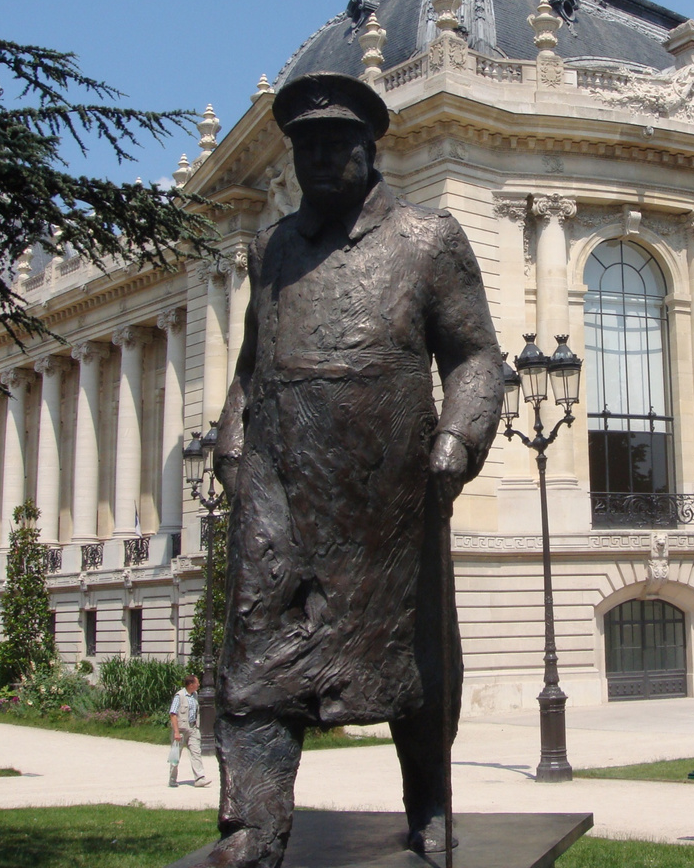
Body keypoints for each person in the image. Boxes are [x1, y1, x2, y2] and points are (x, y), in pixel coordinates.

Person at [204, 73, 502, 868]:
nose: (321, 158)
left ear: (371, 152)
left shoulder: (428, 240)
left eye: (337, 144)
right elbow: (248, 367)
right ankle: (253, 827)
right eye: (306, 147)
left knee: (415, 661)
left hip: (392, 487)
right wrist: (231, 444)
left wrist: (456, 445)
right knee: (254, 656)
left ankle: (429, 808)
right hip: (281, 483)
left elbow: (476, 360)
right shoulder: (271, 249)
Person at [169, 674, 210, 788]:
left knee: (196, 753)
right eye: (197, 683)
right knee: (176, 755)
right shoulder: (180, 696)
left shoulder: (195, 695)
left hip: (192, 728)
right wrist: (176, 732)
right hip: (181, 730)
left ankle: (200, 778)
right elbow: (173, 714)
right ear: (191, 685)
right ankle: (172, 779)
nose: (198, 685)